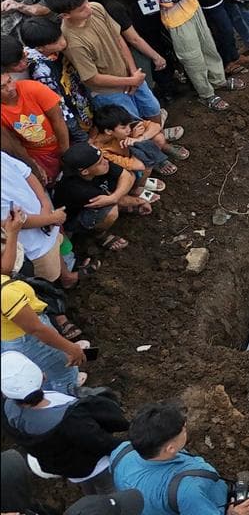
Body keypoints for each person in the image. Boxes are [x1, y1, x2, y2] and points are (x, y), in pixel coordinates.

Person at [1, 350, 129, 494]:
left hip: (66, 466)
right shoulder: (69, 419)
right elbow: (101, 441)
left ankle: (92, 498)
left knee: (87, 487)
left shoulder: (7, 413)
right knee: (109, 488)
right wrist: (127, 447)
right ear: (43, 376)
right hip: (97, 465)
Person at [43, 0, 161, 124]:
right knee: (131, 125)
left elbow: (118, 39)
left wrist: (133, 72)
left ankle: (161, 140)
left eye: (86, 1)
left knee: (153, 109)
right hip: (109, 92)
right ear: (66, 15)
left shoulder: (96, 8)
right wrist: (131, 81)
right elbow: (92, 78)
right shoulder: (73, 42)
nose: (88, 8)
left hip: (131, 76)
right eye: (81, 9)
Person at [110, 402, 249, 515]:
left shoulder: (121, 451)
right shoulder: (189, 491)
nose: (186, 427)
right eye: (183, 429)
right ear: (170, 448)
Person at [1, 207, 86, 396]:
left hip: (10, 336)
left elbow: (4, 270)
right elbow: (37, 330)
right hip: (28, 338)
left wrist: (12, 232)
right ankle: (66, 399)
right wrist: (70, 348)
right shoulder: (7, 293)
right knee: (64, 372)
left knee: (39, 369)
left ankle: (43, 385)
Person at [9, 19, 94, 146]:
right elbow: (58, 103)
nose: (62, 42)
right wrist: (77, 131)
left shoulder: (53, 49)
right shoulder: (40, 70)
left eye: (60, 36)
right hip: (71, 112)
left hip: (80, 98)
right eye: (56, 42)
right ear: (40, 47)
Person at [0, 148, 72, 285]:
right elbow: (13, 221)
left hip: (47, 219)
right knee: (47, 278)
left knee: (58, 246)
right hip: (33, 246)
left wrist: (45, 205)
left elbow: (27, 174)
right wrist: (51, 218)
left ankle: (67, 277)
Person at [1, 73, 68, 183]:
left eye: (9, 81)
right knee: (45, 180)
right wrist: (32, 164)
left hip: (61, 142)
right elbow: (13, 145)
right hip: (35, 153)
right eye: (2, 87)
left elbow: (58, 120)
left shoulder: (33, 88)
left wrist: (65, 152)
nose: (11, 88)